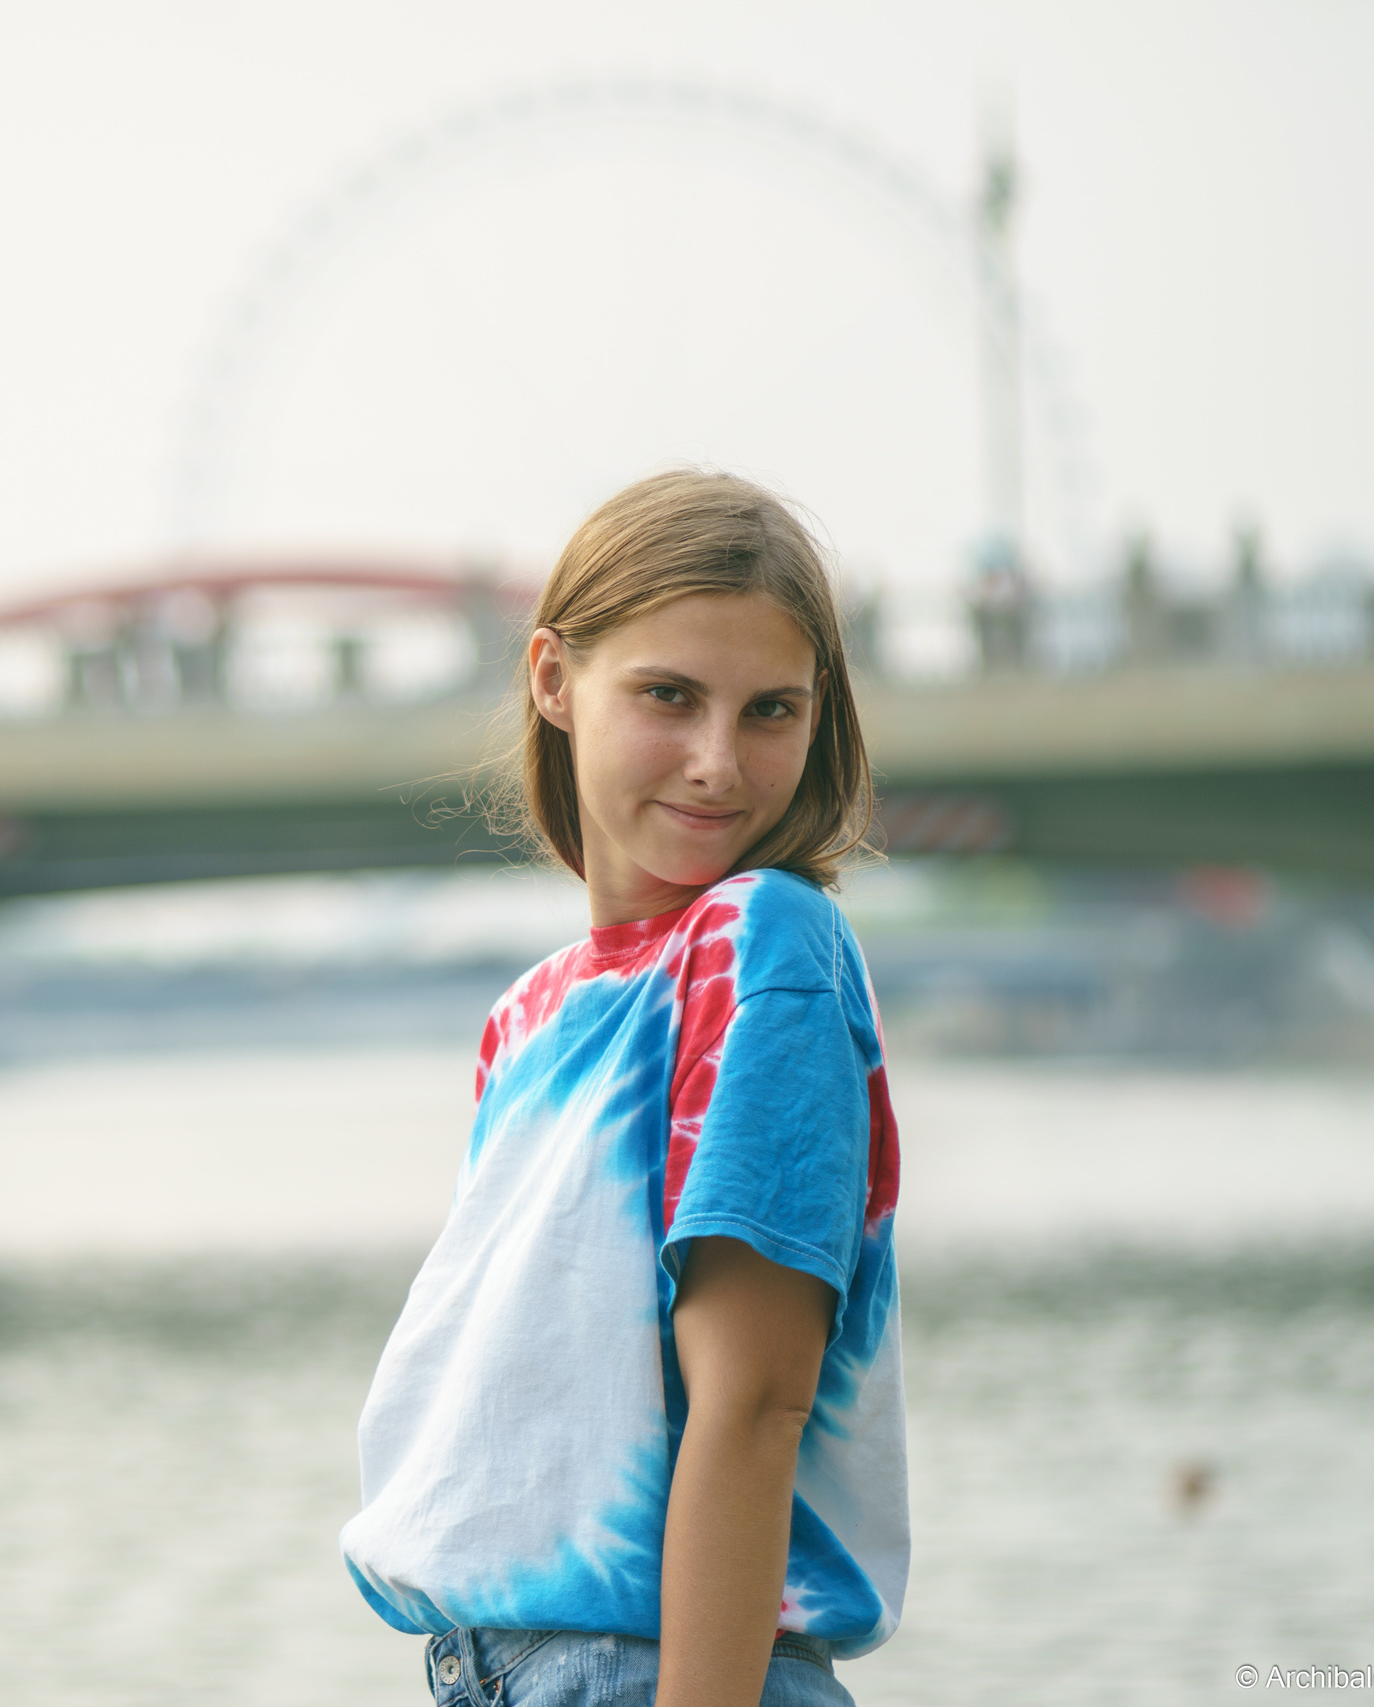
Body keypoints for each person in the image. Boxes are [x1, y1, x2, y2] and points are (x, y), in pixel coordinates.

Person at [340, 469, 906, 1707]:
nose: (717, 762)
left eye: (769, 710)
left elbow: (754, 1404)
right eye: (669, 696)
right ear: (552, 679)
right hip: (488, 1672)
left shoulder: (768, 948)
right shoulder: (529, 1017)